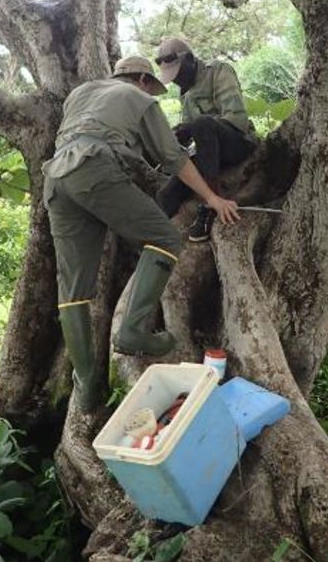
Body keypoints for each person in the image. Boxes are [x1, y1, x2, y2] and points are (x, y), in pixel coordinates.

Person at [44, 55, 240, 412]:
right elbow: (174, 159)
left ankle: (87, 388)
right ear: (143, 80)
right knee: (164, 238)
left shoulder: (81, 93)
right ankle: (133, 331)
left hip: (57, 179)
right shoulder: (141, 99)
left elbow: (100, 138)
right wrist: (213, 197)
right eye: (154, 85)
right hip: (95, 170)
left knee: (73, 290)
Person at [153, 38, 258, 241]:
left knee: (202, 124)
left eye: (179, 74)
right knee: (168, 191)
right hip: (208, 154)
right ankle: (155, 241)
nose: (177, 81)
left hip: (238, 144)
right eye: (173, 79)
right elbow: (194, 136)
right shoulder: (185, 93)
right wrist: (181, 136)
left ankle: (210, 207)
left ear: (191, 59)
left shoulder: (218, 71)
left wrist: (193, 128)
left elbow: (237, 120)